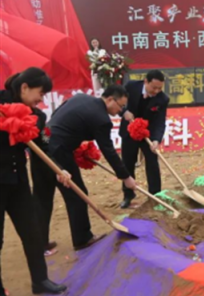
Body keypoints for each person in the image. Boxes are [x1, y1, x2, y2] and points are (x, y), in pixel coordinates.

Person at [1, 68, 69, 296]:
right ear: (24, 88)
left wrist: (60, 169)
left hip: (18, 182)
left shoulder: (37, 116)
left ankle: (40, 280)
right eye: (39, 94)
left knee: (32, 232)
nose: (40, 101)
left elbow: (44, 147)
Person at [47, 85, 137, 251]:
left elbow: (57, 117)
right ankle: (82, 238)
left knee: (43, 197)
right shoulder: (101, 119)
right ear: (110, 99)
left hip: (43, 145)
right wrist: (126, 177)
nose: (120, 110)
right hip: (59, 151)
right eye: (120, 105)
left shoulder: (81, 98)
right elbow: (108, 151)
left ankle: (41, 242)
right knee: (77, 194)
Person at [119, 70, 169, 209]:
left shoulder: (162, 99)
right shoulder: (131, 86)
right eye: (154, 87)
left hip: (148, 134)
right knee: (128, 163)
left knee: (152, 163)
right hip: (129, 131)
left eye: (160, 88)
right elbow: (117, 102)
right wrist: (124, 112)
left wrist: (156, 140)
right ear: (146, 82)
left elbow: (160, 122)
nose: (157, 91)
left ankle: (155, 195)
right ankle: (128, 195)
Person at [30, 107, 59, 256]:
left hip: (44, 157)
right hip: (41, 161)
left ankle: (41, 241)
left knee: (42, 201)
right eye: (40, 93)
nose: (40, 98)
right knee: (42, 202)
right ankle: (40, 244)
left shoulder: (38, 114)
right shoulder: (34, 115)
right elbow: (42, 144)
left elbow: (44, 140)